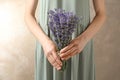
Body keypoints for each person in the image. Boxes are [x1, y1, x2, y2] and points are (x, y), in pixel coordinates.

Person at [24, 0, 106, 80]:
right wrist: (45, 42)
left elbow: (101, 13)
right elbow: (28, 14)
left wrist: (83, 39)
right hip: (48, 48)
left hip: (80, 46)